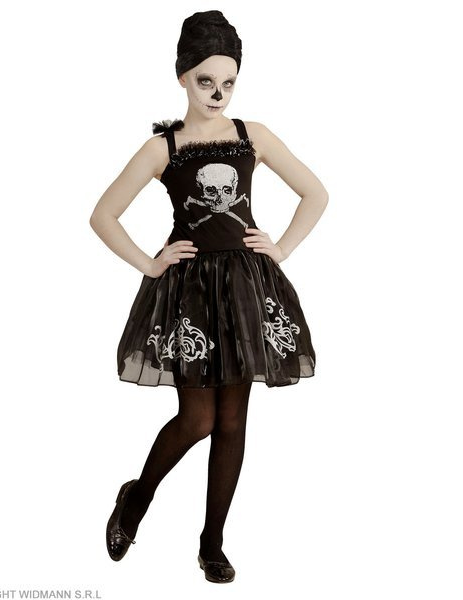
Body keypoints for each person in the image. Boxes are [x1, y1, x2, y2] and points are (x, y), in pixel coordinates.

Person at [89, 9, 329, 584]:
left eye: (228, 83)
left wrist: (280, 248)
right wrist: (151, 263)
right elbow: (103, 215)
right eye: (205, 81)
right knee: (198, 419)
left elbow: (316, 193)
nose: (217, 94)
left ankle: (212, 541)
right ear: (182, 77)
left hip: (245, 288)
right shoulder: (164, 147)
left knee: (233, 420)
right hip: (192, 292)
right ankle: (137, 497)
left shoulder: (252, 137)